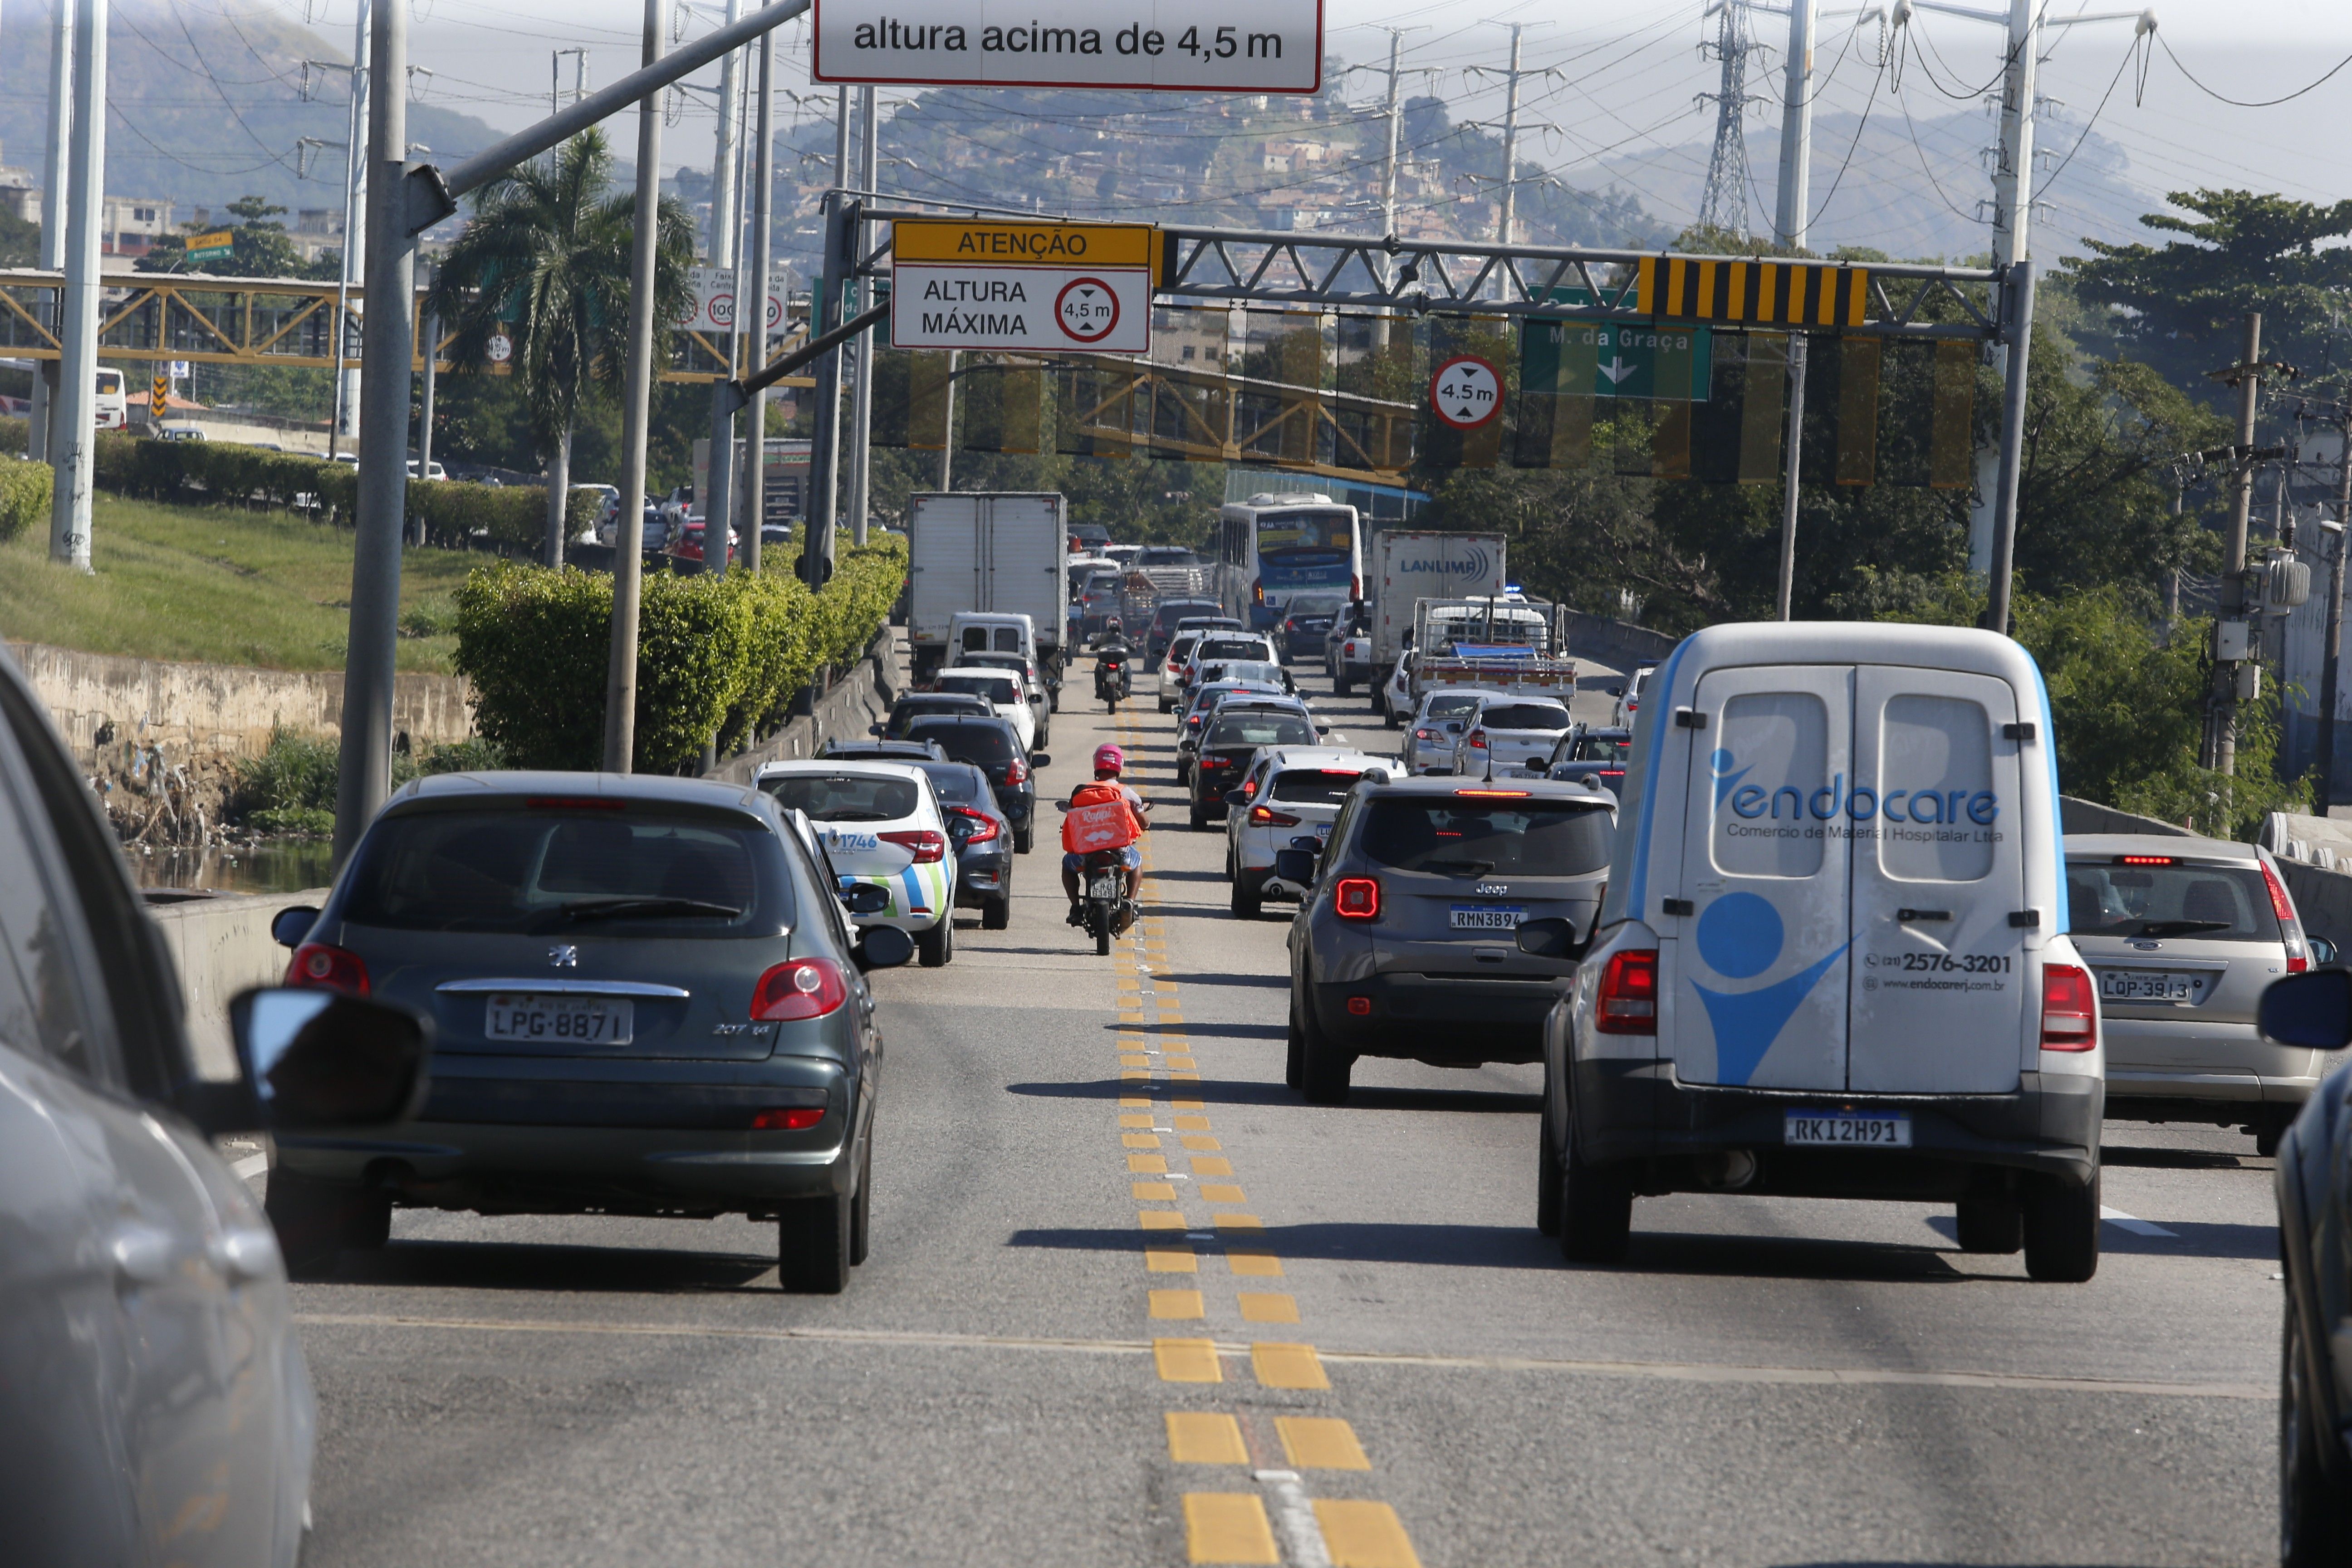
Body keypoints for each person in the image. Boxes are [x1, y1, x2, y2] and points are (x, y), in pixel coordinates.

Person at [1061, 742, 1149, 923]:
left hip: (1086, 855)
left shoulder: (1082, 791)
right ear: (1120, 766)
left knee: (1067, 865)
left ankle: (1076, 907)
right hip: (1119, 853)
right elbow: (1143, 822)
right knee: (1137, 861)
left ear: (1097, 765)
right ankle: (1130, 902)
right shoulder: (1127, 793)